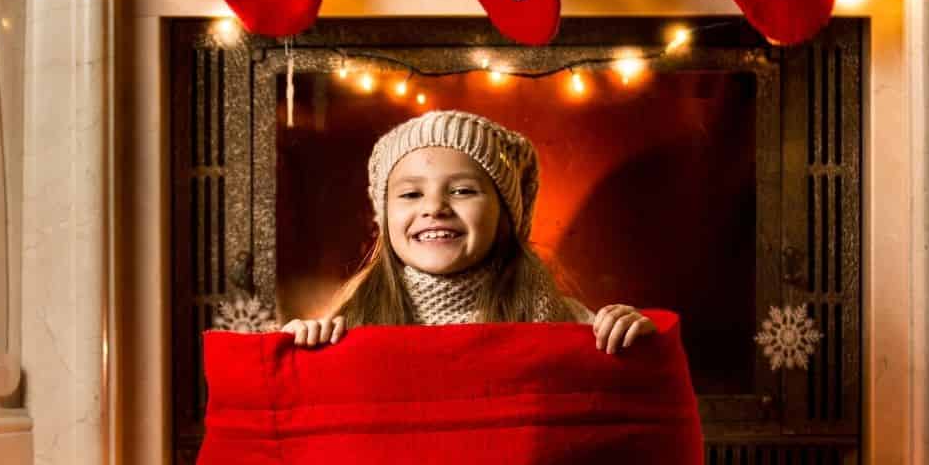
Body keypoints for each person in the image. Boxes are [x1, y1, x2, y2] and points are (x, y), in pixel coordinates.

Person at [281, 109, 657, 354]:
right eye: (411, 194)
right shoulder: (354, 319)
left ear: (505, 213)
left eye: (462, 191)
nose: (434, 208)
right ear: (383, 217)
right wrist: (303, 344)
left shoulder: (560, 318)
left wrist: (625, 331)